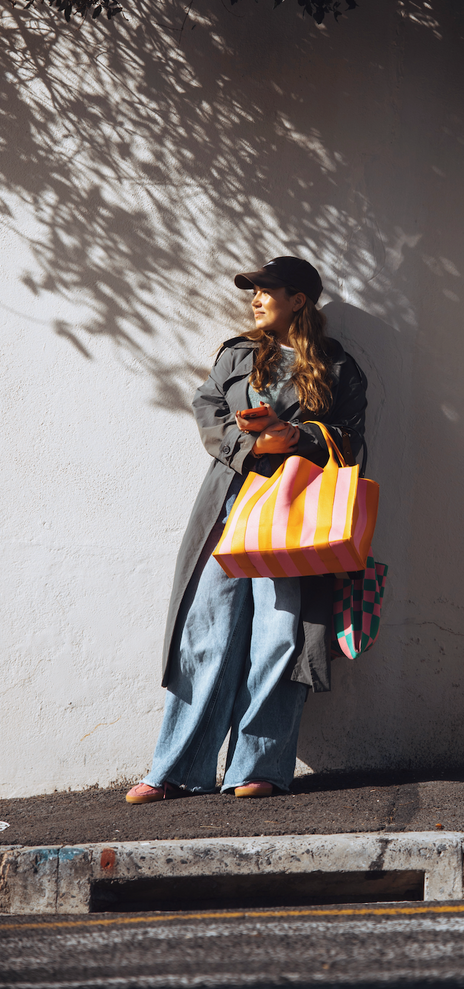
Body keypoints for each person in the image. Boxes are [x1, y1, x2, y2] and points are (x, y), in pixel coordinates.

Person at [125, 256, 368, 802]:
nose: (255, 300)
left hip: (294, 517)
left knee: (279, 638)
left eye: (267, 290)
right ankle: (176, 769)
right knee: (206, 634)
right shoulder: (237, 355)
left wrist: (297, 438)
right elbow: (207, 408)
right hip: (228, 506)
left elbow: (351, 438)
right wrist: (251, 443)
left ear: (299, 299)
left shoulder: (337, 367)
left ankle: (258, 767)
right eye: (252, 291)